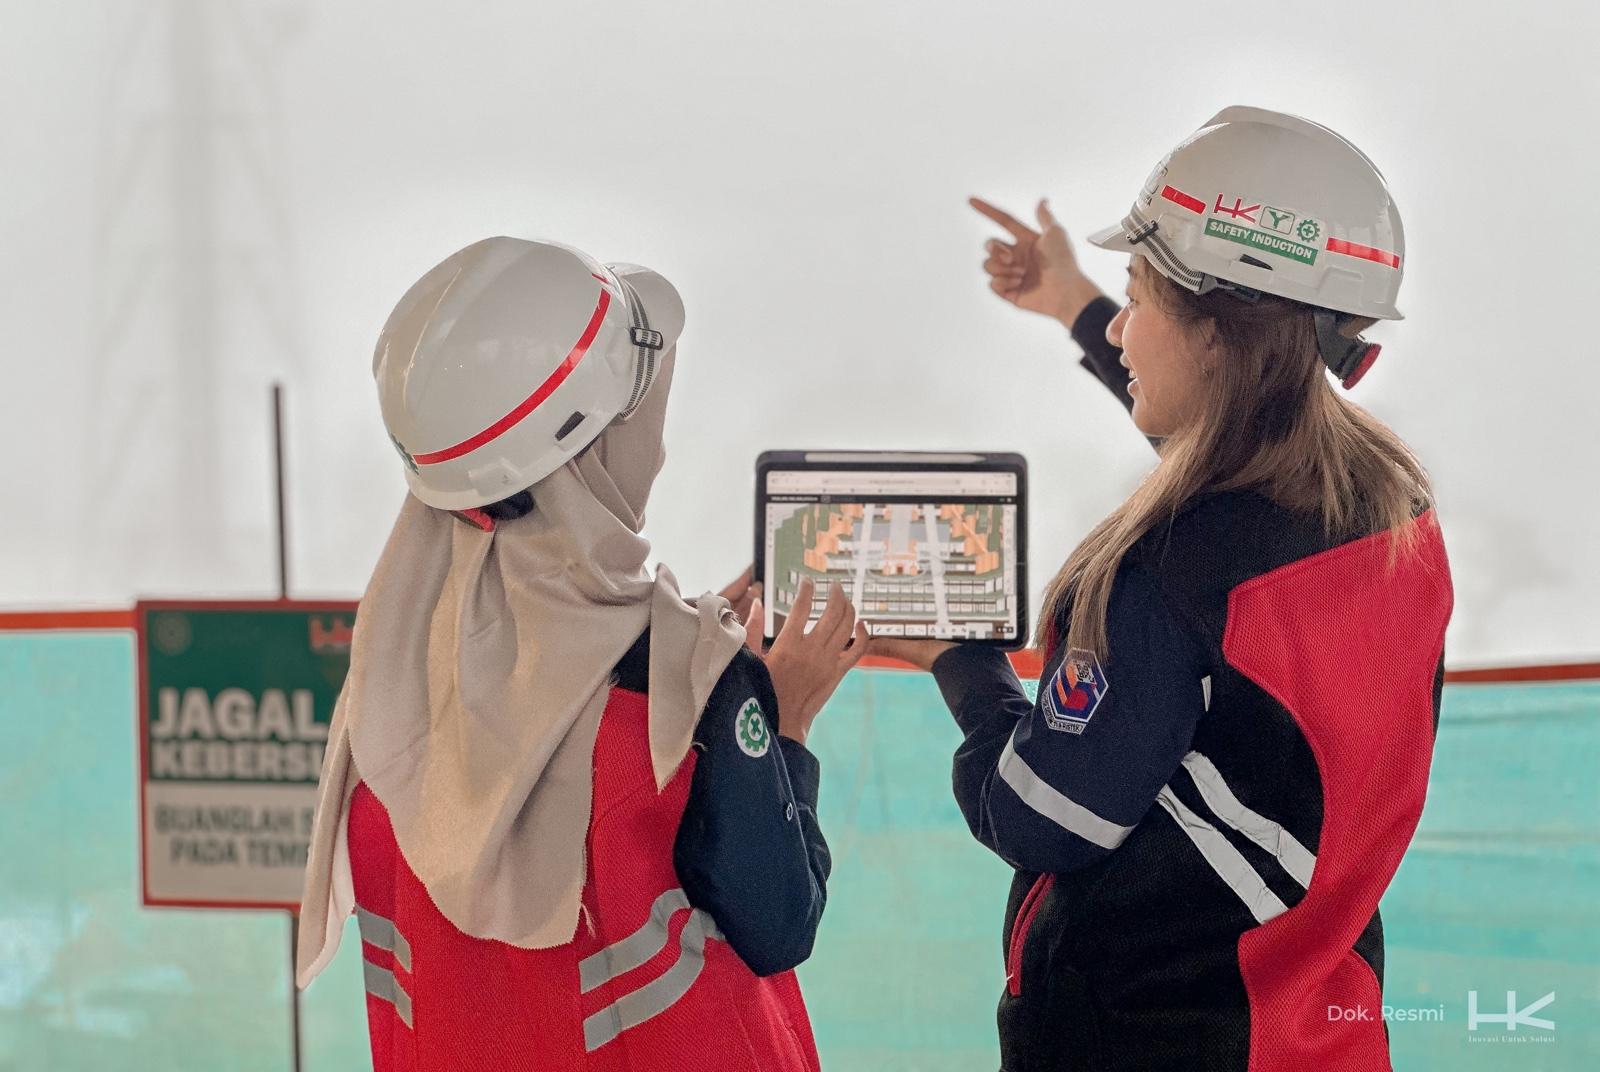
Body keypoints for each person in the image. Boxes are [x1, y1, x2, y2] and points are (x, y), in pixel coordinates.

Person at [870, 106, 1454, 1071]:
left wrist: (958, 662)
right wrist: (1071, 301)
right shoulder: (1392, 516)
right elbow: (1230, 446)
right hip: (1316, 1026)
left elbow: (1042, 816)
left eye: (1136, 297)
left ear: (1216, 336)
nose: (1122, 328)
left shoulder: (1165, 576)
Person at [296, 236, 866, 1071]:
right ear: (599, 444)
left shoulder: (392, 680)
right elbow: (781, 922)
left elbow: (545, 687)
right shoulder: (696, 690)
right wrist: (783, 721)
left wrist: (687, 654)